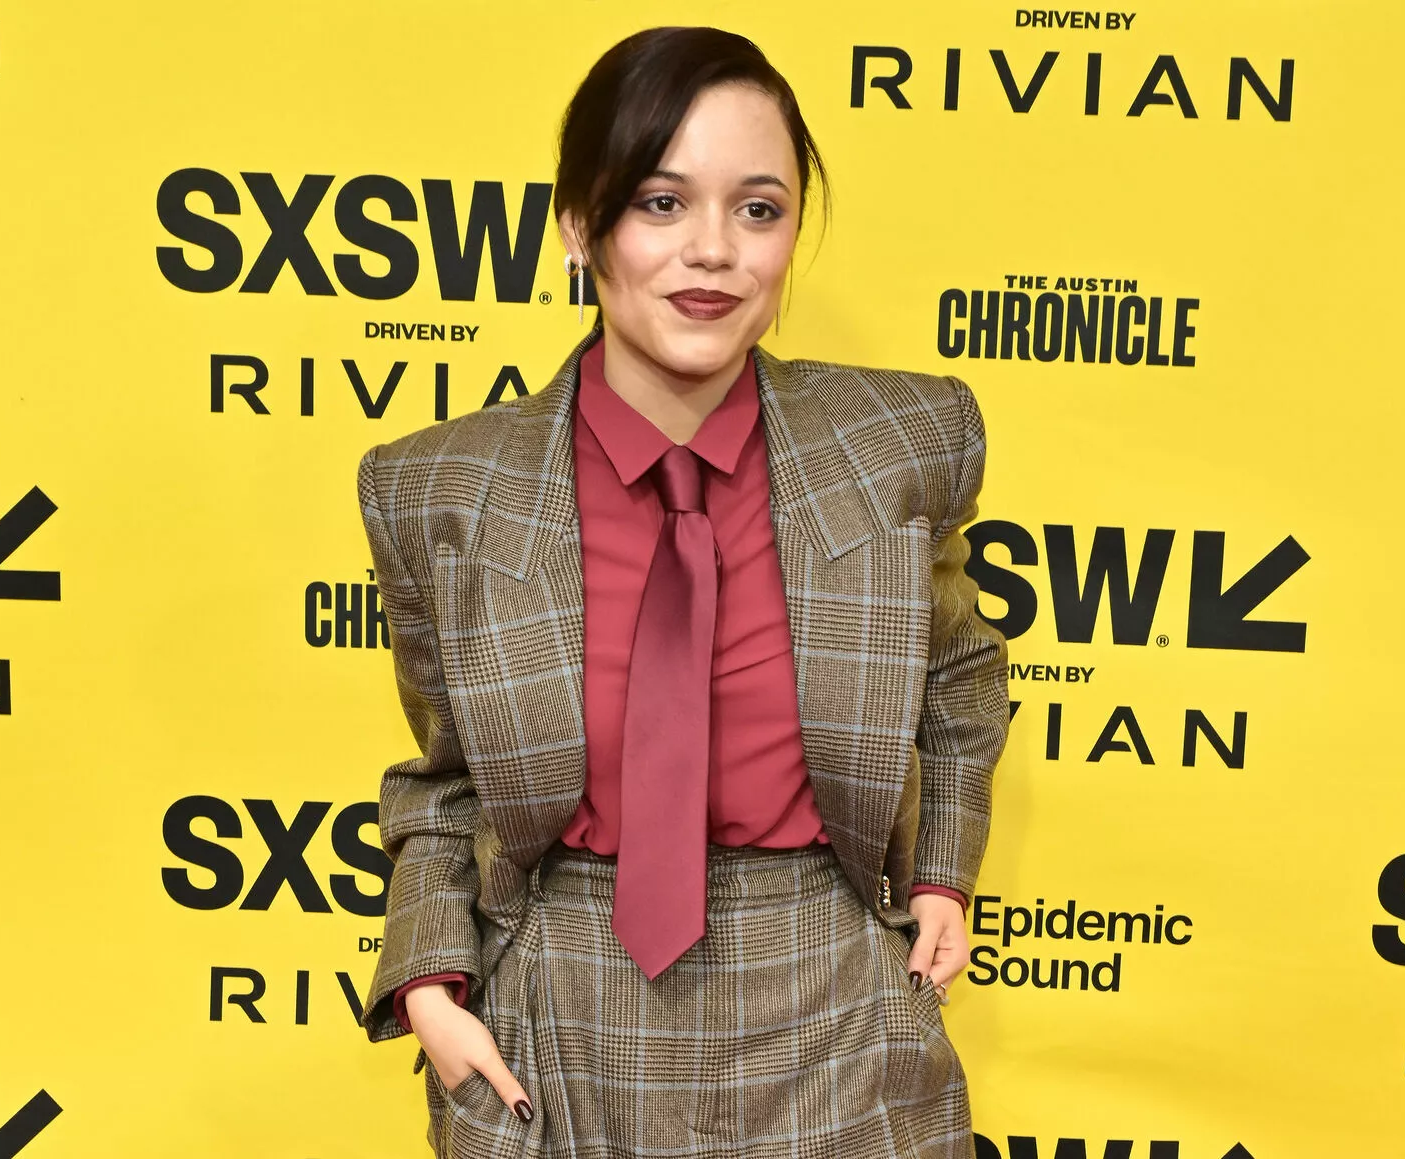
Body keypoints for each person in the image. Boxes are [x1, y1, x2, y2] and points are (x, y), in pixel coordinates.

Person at [355, 24, 1009, 1159]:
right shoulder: (439, 491)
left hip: (833, 998)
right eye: (662, 203)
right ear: (580, 225)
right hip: (560, 1012)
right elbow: (445, 780)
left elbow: (957, 679)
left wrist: (942, 878)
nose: (713, 250)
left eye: (759, 209)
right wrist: (429, 986)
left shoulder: (899, 443)